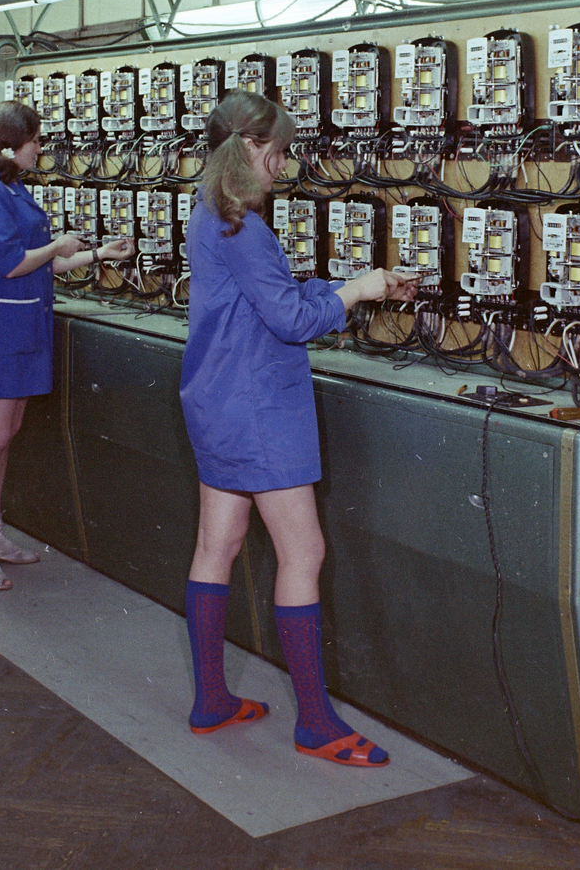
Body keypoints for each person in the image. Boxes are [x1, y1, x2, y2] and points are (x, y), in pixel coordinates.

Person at [178, 91, 416, 768]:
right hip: (259, 409)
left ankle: (211, 700)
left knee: (216, 546)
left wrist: (350, 284)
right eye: (277, 151)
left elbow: (270, 298)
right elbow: (289, 320)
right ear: (248, 148)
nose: (283, 164)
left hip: (217, 401)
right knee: (303, 554)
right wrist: (356, 293)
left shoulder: (211, 214)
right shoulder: (244, 227)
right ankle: (315, 722)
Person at [0, 101, 134, 590]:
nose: (41, 148)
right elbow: (14, 263)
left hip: (23, 326)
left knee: (7, 432)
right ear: (12, 143)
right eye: (36, 140)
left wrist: (97, 253)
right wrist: (57, 245)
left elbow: (42, 263)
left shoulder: (13, 188)